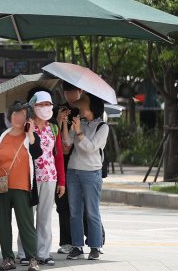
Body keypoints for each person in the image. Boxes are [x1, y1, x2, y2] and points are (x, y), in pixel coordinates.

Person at [0, 102, 43, 271]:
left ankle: (32, 259)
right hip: (1, 186)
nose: (18, 118)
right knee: (3, 223)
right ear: (10, 116)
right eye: (15, 114)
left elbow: (37, 153)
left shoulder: (30, 137)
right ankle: (8, 258)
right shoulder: (2, 135)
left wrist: (30, 133)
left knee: (26, 224)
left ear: (28, 118)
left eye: (22, 115)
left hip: (22, 186)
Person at [17, 91, 66, 266]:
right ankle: (24, 252)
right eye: (41, 104)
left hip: (49, 177)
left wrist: (61, 181)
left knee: (45, 216)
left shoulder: (53, 128)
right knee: (28, 216)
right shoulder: (25, 127)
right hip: (28, 178)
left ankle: (44, 252)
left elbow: (58, 156)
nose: (46, 108)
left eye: (48, 104)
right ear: (32, 106)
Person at [62, 93, 108, 261]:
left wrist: (79, 132)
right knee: (74, 212)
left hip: (91, 172)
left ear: (92, 108)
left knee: (92, 212)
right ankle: (77, 246)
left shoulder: (103, 127)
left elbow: (91, 147)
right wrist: (64, 124)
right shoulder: (79, 123)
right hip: (73, 170)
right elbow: (67, 142)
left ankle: (95, 247)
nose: (79, 109)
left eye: (83, 106)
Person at [56, 81, 83, 254]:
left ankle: (95, 238)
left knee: (86, 203)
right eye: (67, 92)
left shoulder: (87, 108)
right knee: (63, 204)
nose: (70, 95)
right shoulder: (59, 109)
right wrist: (59, 120)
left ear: (80, 91)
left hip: (84, 162)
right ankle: (66, 241)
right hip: (63, 163)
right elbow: (53, 136)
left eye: (73, 92)